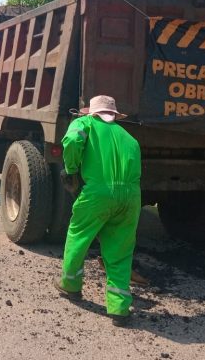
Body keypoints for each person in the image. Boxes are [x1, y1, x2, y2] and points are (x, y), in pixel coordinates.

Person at [54, 95, 142, 327]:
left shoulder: (84, 124)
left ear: (91, 112)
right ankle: (119, 308)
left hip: (98, 195)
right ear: (114, 115)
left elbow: (72, 140)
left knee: (78, 238)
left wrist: (72, 169)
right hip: (131, 198)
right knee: (120, 251)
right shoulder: (129, 137)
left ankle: (71, 285)